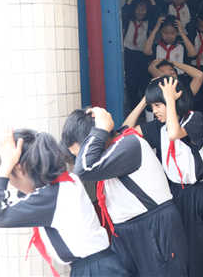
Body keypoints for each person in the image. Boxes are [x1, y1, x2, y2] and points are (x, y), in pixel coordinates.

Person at [0, 127, 133, 277]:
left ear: (19, 168)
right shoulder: (66, 181)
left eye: (9, 176)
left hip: (95, 271)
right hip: (102, 265)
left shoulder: (51, 196)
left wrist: (5, 166)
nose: (11, 182)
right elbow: (28, 195)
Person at [62, 107, 189, 277]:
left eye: (82, 151)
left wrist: (100, 129)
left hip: (152, 226)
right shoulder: (111, 151)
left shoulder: (129, 144)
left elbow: (84, 169)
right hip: (125, 231)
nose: (81, 158)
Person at [124, 77, 203, 277]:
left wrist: (170, 100)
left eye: (158, 105)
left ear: (174, 99)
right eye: (152, 106)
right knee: (179, 253)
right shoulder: (158, 127)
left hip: (201, 194)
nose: (155, 111)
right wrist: (144, 101)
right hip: (175, 194)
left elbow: (174, 133)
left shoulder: (194, 118)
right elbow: (125, 132)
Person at [122, 0, 158, 111]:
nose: (140, 12)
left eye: (143, 9)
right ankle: (134, 108)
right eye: (137, 9)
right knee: (131, 82)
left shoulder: (148, 22)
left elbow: (156, 16)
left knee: (144, 81)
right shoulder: (128, 20)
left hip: (143, 54)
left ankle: (148, 109)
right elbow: (124, 12)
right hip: (129, 53)